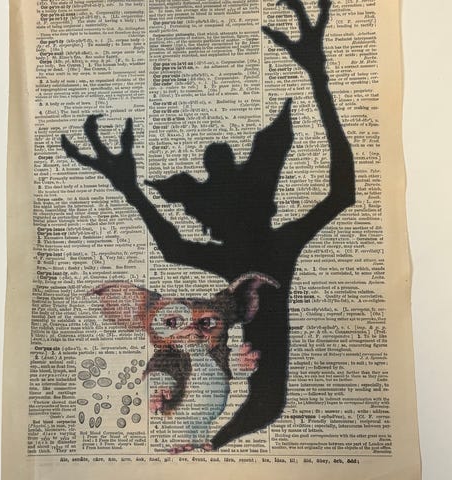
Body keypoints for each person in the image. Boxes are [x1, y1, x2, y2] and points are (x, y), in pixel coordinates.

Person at [61, 0, 355, 449]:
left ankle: (209, 440)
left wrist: (130, 188)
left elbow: (173, 246)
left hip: (245, 395)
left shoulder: (245, 253)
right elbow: (341, 194)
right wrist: (318, 77)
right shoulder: (278, 244)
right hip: (235, 394)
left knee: (255, 406)